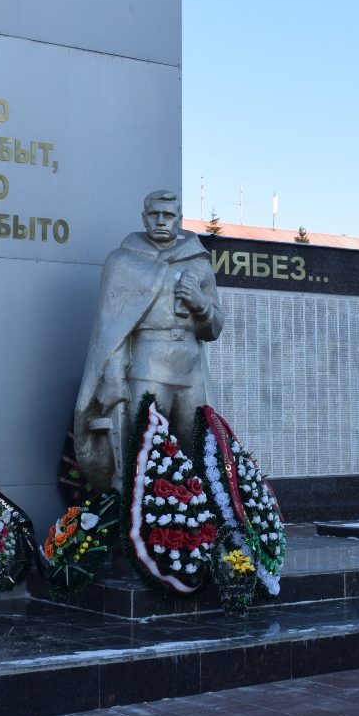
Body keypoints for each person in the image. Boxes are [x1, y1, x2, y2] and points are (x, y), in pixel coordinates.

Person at [73, 190, 225, 491]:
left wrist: (201, 305)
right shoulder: (122, 262)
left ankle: (196, 515)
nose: (160, 221)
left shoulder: (199, 264)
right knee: (144, 452)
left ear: (179, 220)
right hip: (145, 367)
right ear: (144, 218)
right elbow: (112, 328)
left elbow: (214, 330)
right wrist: (114, 377)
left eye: (168, 215)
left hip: (191, 372)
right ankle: (140, 516)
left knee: (196, 452)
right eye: (154, 215)